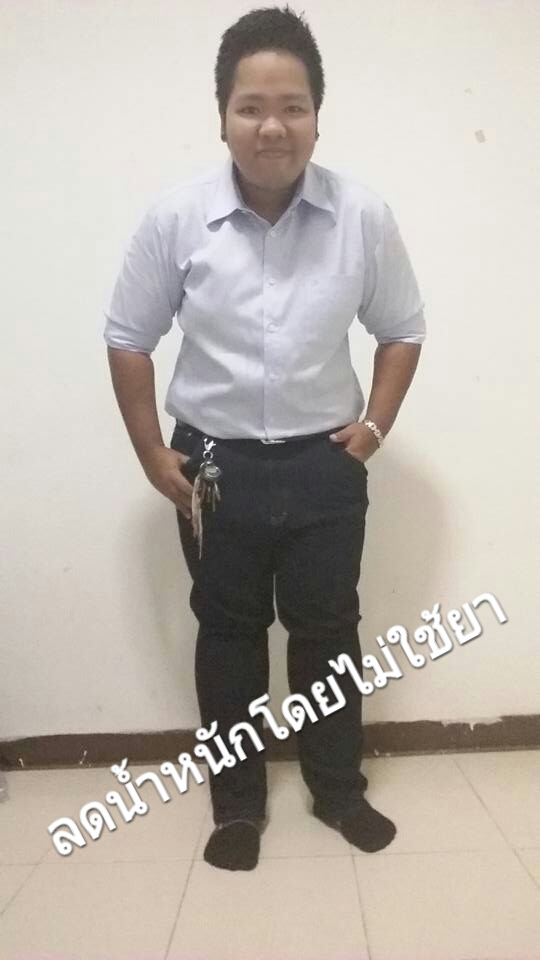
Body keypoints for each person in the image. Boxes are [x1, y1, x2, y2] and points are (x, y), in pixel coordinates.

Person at [103, 5, 426, 872]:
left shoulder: (362, 216)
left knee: (329, 630)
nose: (272, 126)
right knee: (229, 634)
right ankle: (237, 806)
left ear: (318, 115)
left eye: (293, 107)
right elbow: (128, 338)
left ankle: (338, 791)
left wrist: (374, 428)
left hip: (326, 464)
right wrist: (151, 453)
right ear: (223, 116)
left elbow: (401, 328)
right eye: (251, 107)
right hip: (213, 468)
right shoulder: (176, 218)